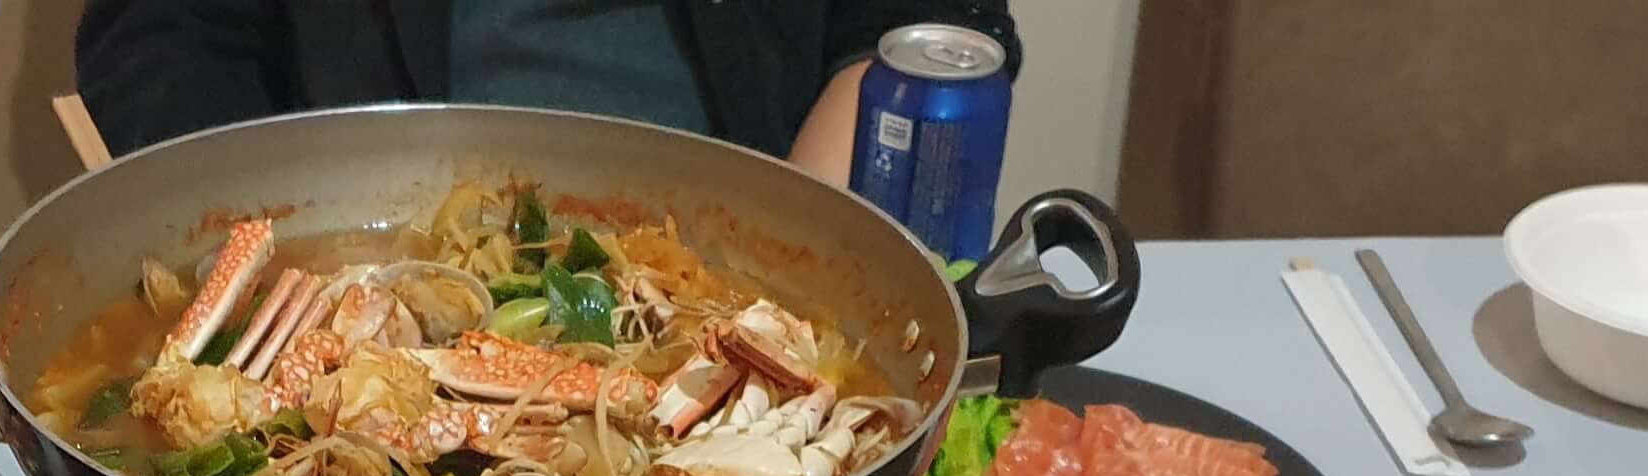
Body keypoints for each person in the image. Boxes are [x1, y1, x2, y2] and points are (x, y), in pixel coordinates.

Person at [70, 0, 1020, 180]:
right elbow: (162, 34)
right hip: (369, 267)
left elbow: (921, 23)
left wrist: (801, 279)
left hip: (746, 256)